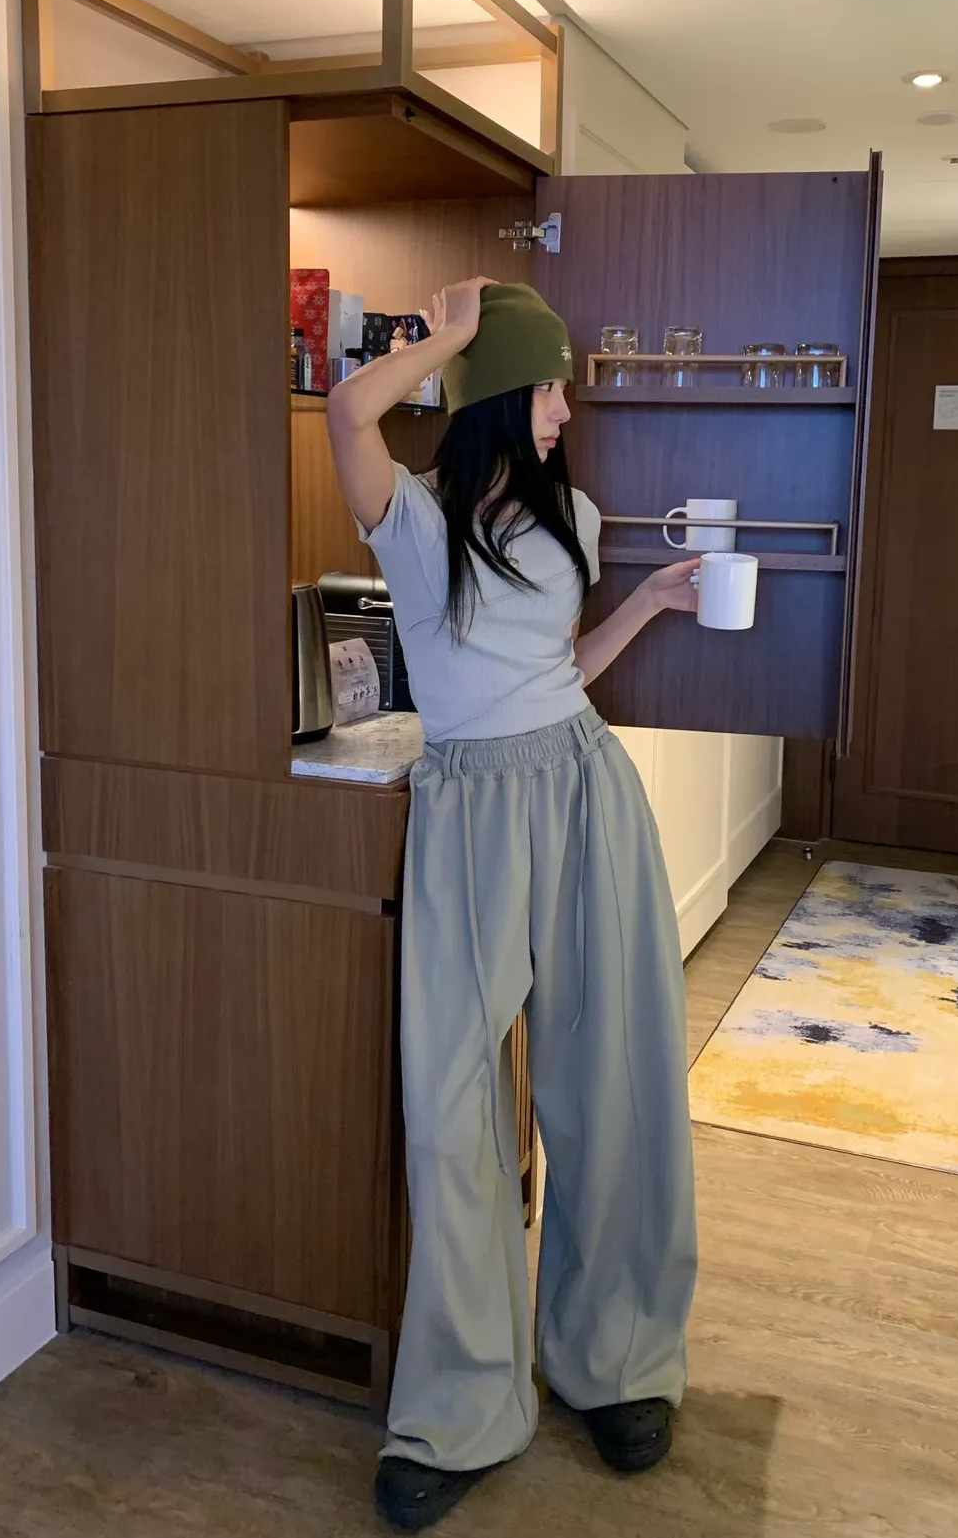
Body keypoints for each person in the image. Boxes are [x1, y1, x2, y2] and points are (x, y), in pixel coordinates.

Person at [328, 278, 700, 1532]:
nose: (565, 410)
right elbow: (349, 409)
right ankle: (463, 1406)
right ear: (494, 390)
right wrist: (447, 337)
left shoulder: (573, 518)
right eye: (548, 386)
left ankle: (615, 1359)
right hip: (467, 816)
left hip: (582, 791)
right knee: (452, 1119)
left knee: (609, 1083)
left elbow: (558, 670)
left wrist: (643, 604)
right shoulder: (411, 517)